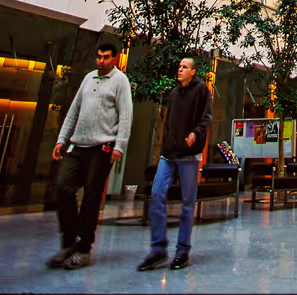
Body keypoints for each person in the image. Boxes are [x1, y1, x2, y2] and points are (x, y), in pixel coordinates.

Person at [47, 42, 132, 271]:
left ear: (114, 59)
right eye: (98, 57)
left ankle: (84, 248)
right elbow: (74, 110)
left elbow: (125, 115)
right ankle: (69, 241)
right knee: (63, 188)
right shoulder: (88, 79)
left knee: (92, 196)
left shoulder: (120, 81)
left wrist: (119, 146)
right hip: (78, 145)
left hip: (102, 146)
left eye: (105, 57)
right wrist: (61, 139)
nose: (100, 61)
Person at [138, 57, 213, 272]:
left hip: (189, 155)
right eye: (179, 66)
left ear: (194, 71)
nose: (179, 69)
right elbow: (169, 122)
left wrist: (195, 135)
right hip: (169, 154)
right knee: (157, 194)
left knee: (188, 204)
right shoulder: (173, 93)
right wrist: (165, 145)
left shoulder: (201, 90)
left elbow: (206, 117)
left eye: (184, 67)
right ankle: (158, 249)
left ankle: (182, 252)